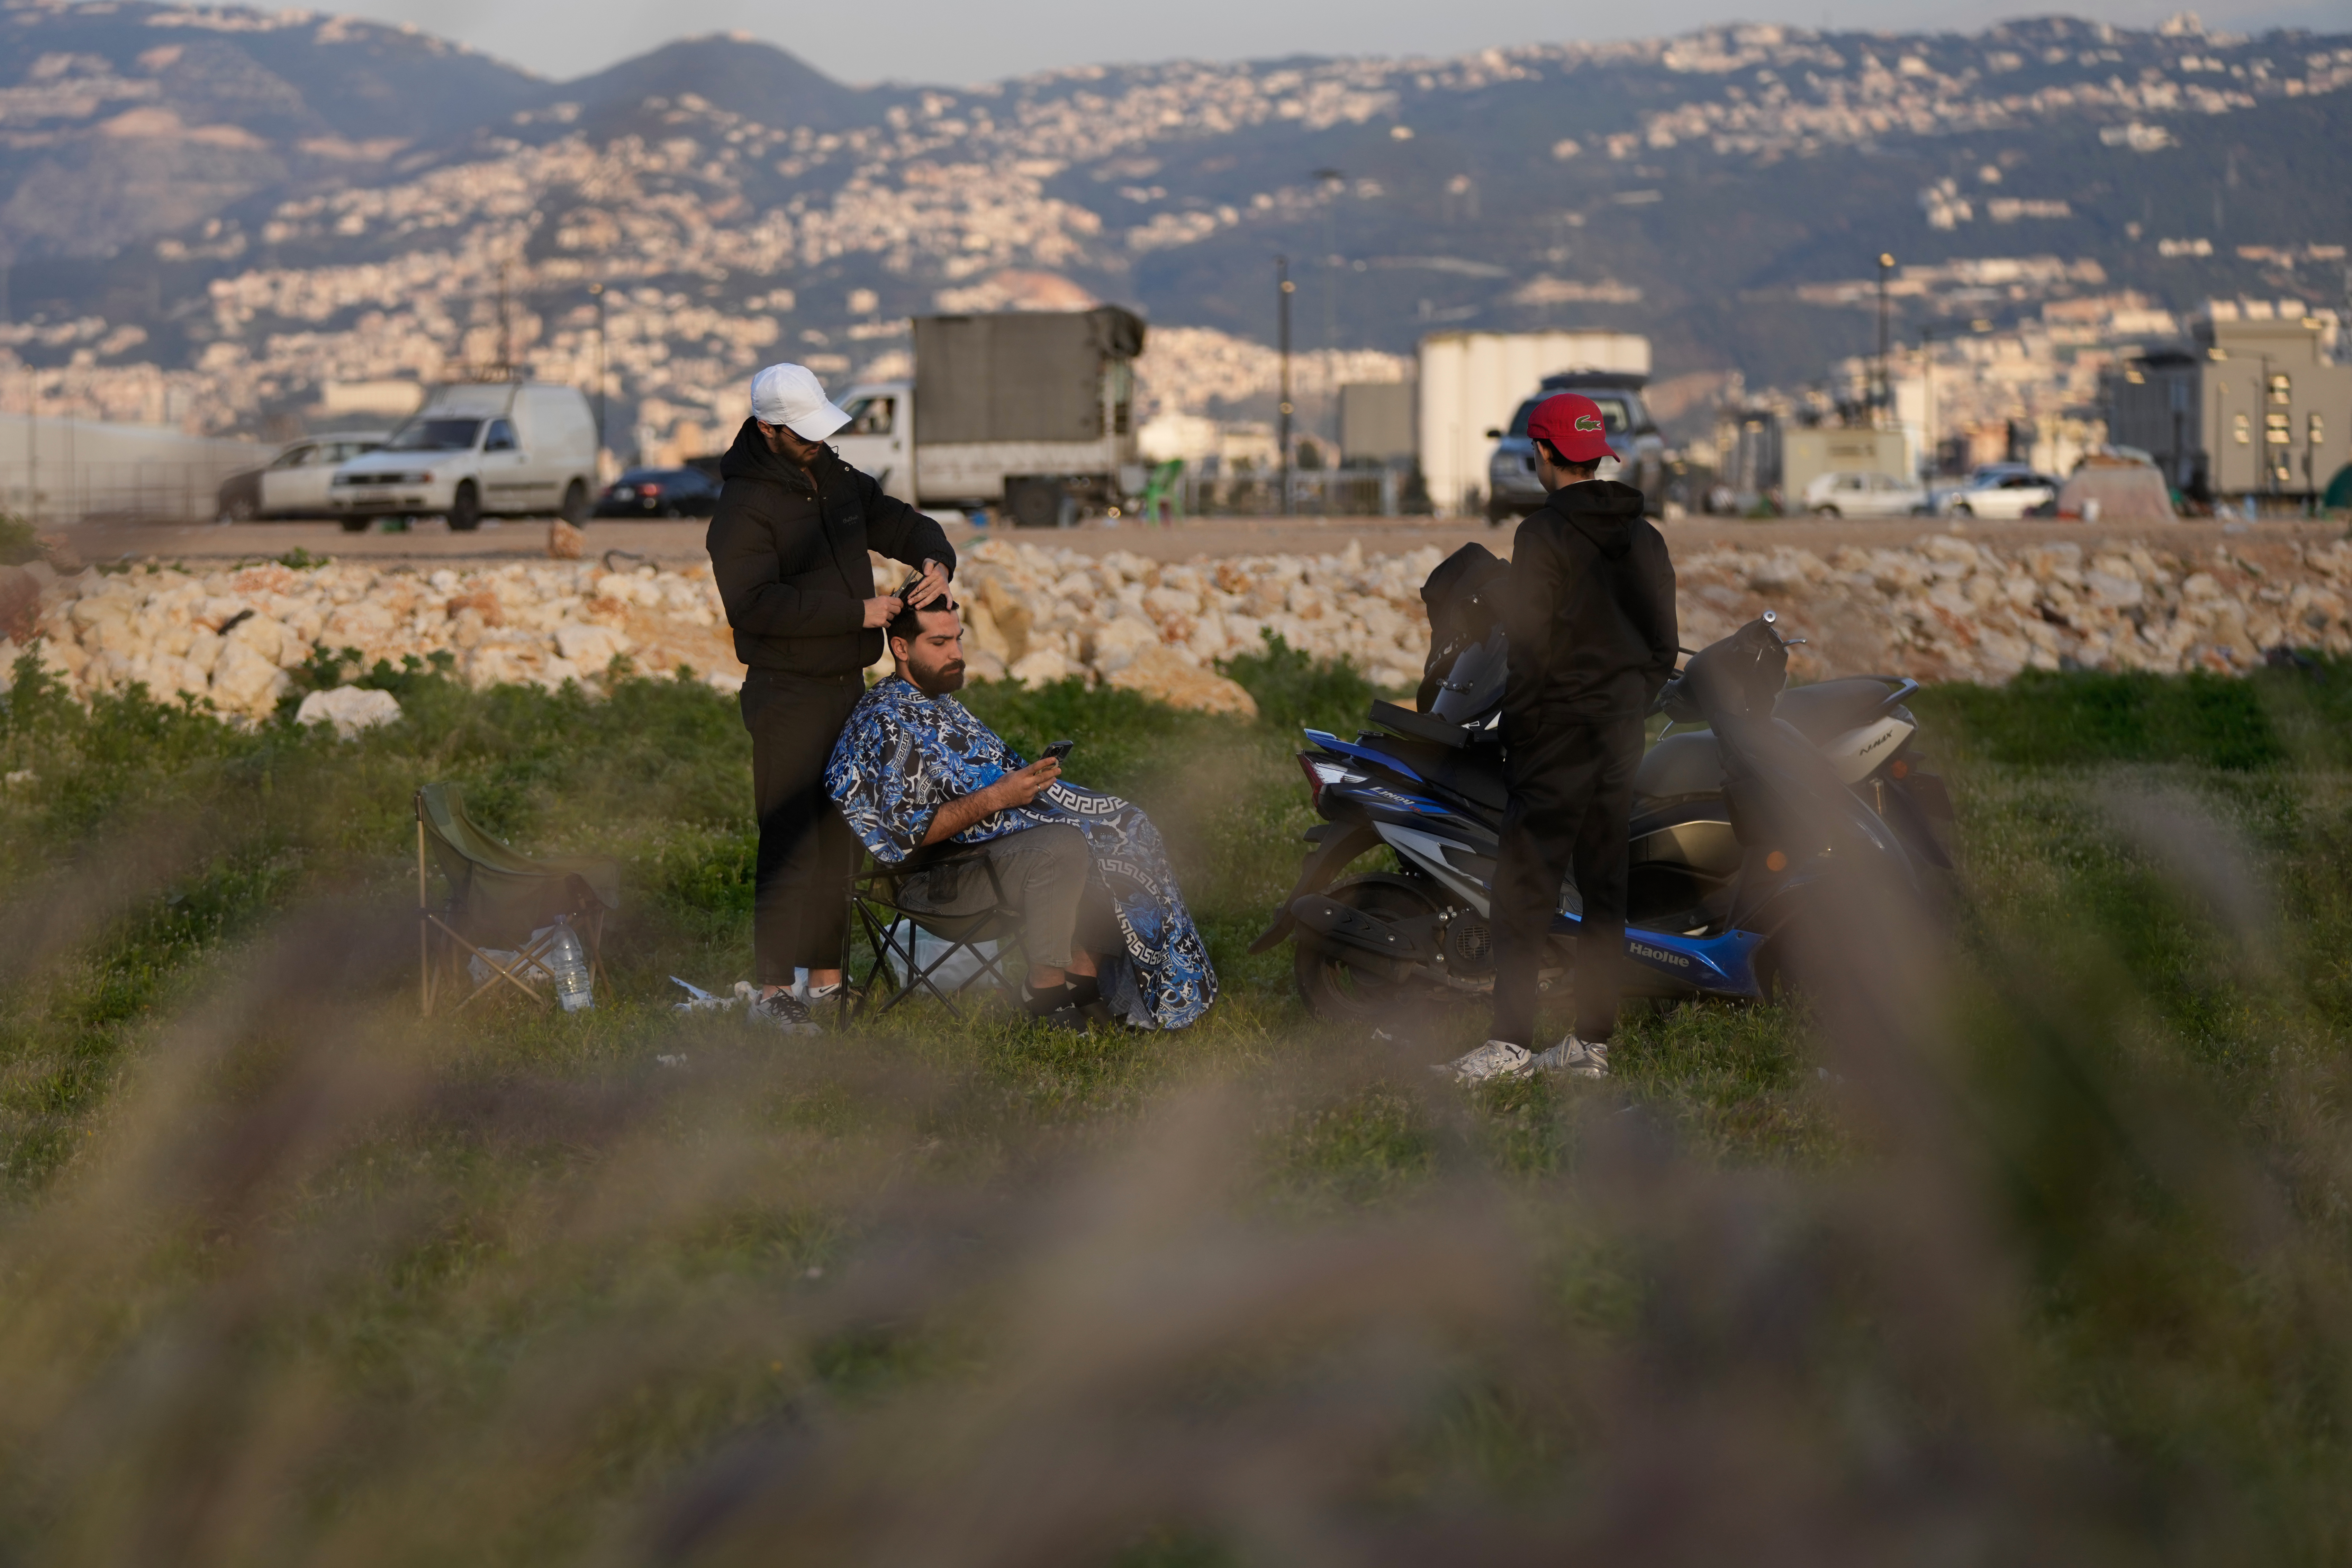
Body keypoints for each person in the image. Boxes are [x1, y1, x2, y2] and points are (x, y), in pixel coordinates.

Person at [824, 591, 1217, 1031]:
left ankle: (1084, 979)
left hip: (989, 856)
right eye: (940, 644)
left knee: (1118, 825)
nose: (956, 654)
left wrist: (1027, 786)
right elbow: (902, 836)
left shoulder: (939, 703)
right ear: (900, 648)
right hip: (936, 881)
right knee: (1064, 843)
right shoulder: (885, 720)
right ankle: (1044, 987)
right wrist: (999, 798)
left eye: (958, 639)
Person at [708, 362, 956, 1034]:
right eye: (803, 434)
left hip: (847, 692)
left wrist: (934, 564)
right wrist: (857, 613)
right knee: (788, 842)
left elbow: (902, 524)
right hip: (786, 694)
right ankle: (770, 992)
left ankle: (824, 984)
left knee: (837, 840)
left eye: (820, 430)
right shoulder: (743, 508)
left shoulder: (837, 479)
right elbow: (754, 606)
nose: (817, 442)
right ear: (768, 429)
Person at [1442, 392, 1678, 1083]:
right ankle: (1589, 1048)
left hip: (1555, 738)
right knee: (1606, 890)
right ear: (1598, 450)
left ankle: (1510, 1045)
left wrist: (1521, 729)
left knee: (1523, 894)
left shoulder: (1541, 536)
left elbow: (1531, 650)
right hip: (1619, 734)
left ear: (1542, 453)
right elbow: (1662, 647)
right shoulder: (1646, 535)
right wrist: (1629, 704)